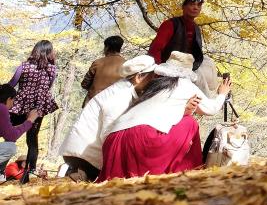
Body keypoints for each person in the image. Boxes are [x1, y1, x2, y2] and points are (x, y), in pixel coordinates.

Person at [99, 51, 229, 181]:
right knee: (190, 122)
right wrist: (222, 93)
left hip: (114, 139)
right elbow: (211, 109)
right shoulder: (185, 84)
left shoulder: (153, 85)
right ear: (187, 72)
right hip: (143, 137)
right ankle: (191, 169)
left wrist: (184, 110)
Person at [59, 55, 157, 182]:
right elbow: (110, 132)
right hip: (85, 156)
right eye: (152, 77)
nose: (153, 80)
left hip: (85, 153)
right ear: (138, 77)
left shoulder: (124, 90)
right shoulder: (120, 96)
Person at [8, 40, 58, 183]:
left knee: (9, 135)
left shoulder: (23, 66)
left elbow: (12, 84)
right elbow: (48, 87)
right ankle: (29, 173)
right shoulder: (52, 69)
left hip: (20, 104)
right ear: (49, 52)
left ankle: (1, 170)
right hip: (38, 106)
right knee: (32, 139)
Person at [149, 0, 205, 70]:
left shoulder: (196, 29)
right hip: (167, 68)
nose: (196, 8)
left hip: (188, 68)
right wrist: (157, 69)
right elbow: (155, 49)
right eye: (192, 4)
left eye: (199, 5)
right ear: (183, 7)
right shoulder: (170, 24)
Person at [0, 84, 39, 179]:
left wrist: (24, 124)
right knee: (10, 147)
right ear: (9, 99)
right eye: (13, 100)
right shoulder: (2, 108)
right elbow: (11, 136)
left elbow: (7, 131)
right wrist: (30, 120)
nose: (13, 104)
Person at [81, 36, 126, 105]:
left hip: (93, 103)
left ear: (107, 48)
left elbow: (85, 83)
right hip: (116, 104)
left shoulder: (98, 62)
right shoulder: (127, 64)